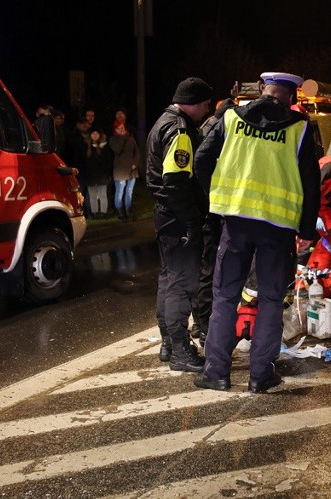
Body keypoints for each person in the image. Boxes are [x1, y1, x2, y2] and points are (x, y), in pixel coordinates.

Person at [193, 71, 320, 393]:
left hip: (235, 223)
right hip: (277, 228)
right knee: (271, 300)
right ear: (292, 97)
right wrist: (307, 228)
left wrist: (216, 198)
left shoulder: (232, 118)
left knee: (224, 297)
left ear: (264, 89)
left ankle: (216, 373)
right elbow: (310, 183)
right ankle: (260, 375)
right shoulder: (300, 129)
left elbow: (202, 159)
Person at [146, 76, 213, 372]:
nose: (208, 111)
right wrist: (190, 222)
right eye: (206, 105)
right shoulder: (180, 130)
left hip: (165, 215)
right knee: (180, 285)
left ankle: (168, 343)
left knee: (168, 280)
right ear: (195, 103)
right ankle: (180, 352)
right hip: (177, 218)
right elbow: (175, 182)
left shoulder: (163, 121)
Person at [190, 97, 239, 346]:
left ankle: (200, 322)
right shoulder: (220, 133)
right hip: (213, 211)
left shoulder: (206, 128)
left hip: (205, 210)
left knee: (204, 268)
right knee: (210, 269)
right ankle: (203, 324)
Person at [110, 120, 140, 220]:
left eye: (122, 127)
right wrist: (122, 137)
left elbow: (137, 151)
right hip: (120, 171)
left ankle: (128, 210)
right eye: (119, 128)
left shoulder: (131, 138)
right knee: (119, 192)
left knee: (129, 191)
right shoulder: (113, 139)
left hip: (132, 170)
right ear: (115, 129)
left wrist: (135, 163)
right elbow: (118, 149)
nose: (121, 130)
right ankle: (119, 211)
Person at [85, 126, 113, 218]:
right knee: (92, 196)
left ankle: (103, 212)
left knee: (103, 195)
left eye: (97, 133)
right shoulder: (87, 146)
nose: (95, 135)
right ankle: (95, 212)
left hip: (102, 175)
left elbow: (109, 161)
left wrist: (108, 173)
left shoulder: (105, 146)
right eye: (93, 134)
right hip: (91, 175)